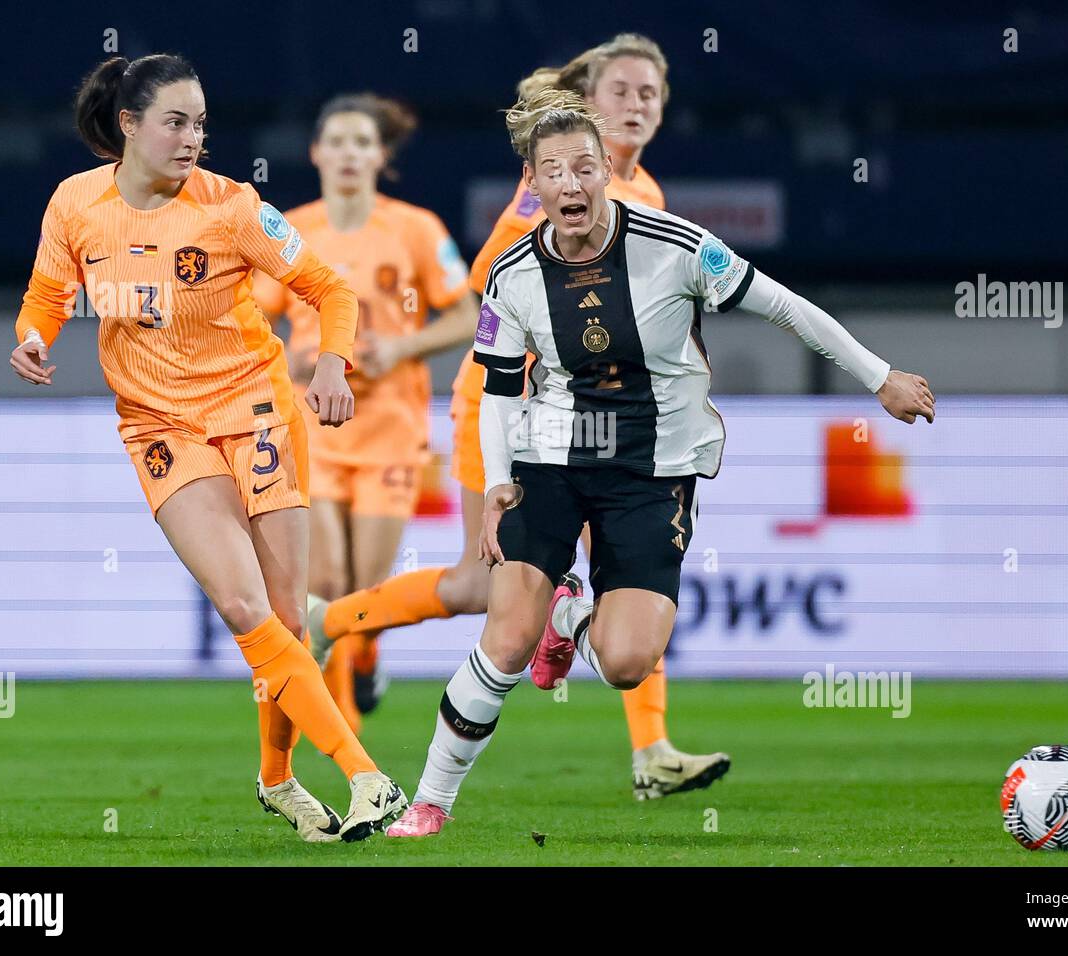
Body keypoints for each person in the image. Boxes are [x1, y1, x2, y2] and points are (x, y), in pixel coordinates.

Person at [385, 89, 935, 837]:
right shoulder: (512, 276)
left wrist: (880, 377)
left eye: (585, 167)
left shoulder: (676, 246)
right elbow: (498, 392)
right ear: (532, 183)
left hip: (652, 471)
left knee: (625, 662)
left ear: (607, 169)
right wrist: (498, 486)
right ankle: (430, 803)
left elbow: (786, 306)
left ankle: (572, 615)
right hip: (551, 458)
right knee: (506, 636)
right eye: (554, 172)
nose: (572, 185)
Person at [309, 34, 731, 800]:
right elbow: (489, 288)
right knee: (490, 582)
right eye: (622, 92)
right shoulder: (553, 187)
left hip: (600, 416)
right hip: (512, 405)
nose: (636, 105)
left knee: (599, 568)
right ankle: (336, 619)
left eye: (650, 95)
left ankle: (651, 748)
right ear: (587, 107)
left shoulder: (653, 196)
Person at [7, 54, 407, 843]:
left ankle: (277, 780)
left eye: (200, 123)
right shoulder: (76, 204)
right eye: (176, 122)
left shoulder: (231, 207)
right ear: (129, 126)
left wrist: (332, 363)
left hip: (256, 410)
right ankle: (367, 778)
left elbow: (332, 289)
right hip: (159, 426)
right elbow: (48, 292)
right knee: (242, 606)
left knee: (288, 618)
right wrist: (32, 336)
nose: (194, 138)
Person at [252, 94, 476, 731]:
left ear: (381, 156)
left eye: (362, 142)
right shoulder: (288, 231)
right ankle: (345, 730)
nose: (350, 153)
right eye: (338, 141)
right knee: (325, 580)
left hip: (390, 433)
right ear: (317, 153)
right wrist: (295, 353)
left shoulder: (416, 229)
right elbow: (246, 314)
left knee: (366, 589)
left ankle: (368, 652)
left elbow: (465, 313)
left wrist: (404, 345)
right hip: (312, 429)